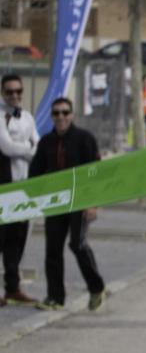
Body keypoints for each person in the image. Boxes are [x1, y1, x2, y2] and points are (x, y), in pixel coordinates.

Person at [29, 98, 106, 312]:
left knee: (77, 243)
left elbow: (96, 173)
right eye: (56, 113)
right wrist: (32, 201)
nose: (61, 117)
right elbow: (35, 173)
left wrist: (93, 204)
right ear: (52, 116)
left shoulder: (84, 139)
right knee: (52, 249)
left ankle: (96, 287)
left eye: (65, 113)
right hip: (56, 202)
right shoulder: (46, 142)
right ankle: (55, 297)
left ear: (71, 115)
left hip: (80, 201)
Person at [1, 72, 39, 303]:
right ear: (3, 93)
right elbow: (6, 147)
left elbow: (38, 145)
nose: (14, 95)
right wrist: (28, 147)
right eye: (9, 91)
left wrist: (22, 147)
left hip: (24, 187)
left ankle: (12, 287)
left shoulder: (27, 117)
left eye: (18, 91)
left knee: (18, 239)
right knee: (2, 237)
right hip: (4, 186)